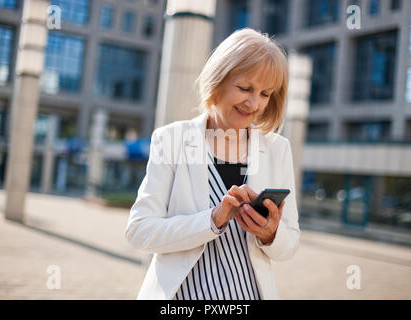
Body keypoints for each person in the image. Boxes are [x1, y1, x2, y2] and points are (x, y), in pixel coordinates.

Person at [125, 28, 300, 300]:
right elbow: (139, 231)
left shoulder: (278, 150)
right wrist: (213, 219)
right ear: (217, 79)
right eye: (244, 88)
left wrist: (271, 234)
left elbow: (290, 245)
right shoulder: (171, 140)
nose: (254, 104)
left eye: (265, 94)